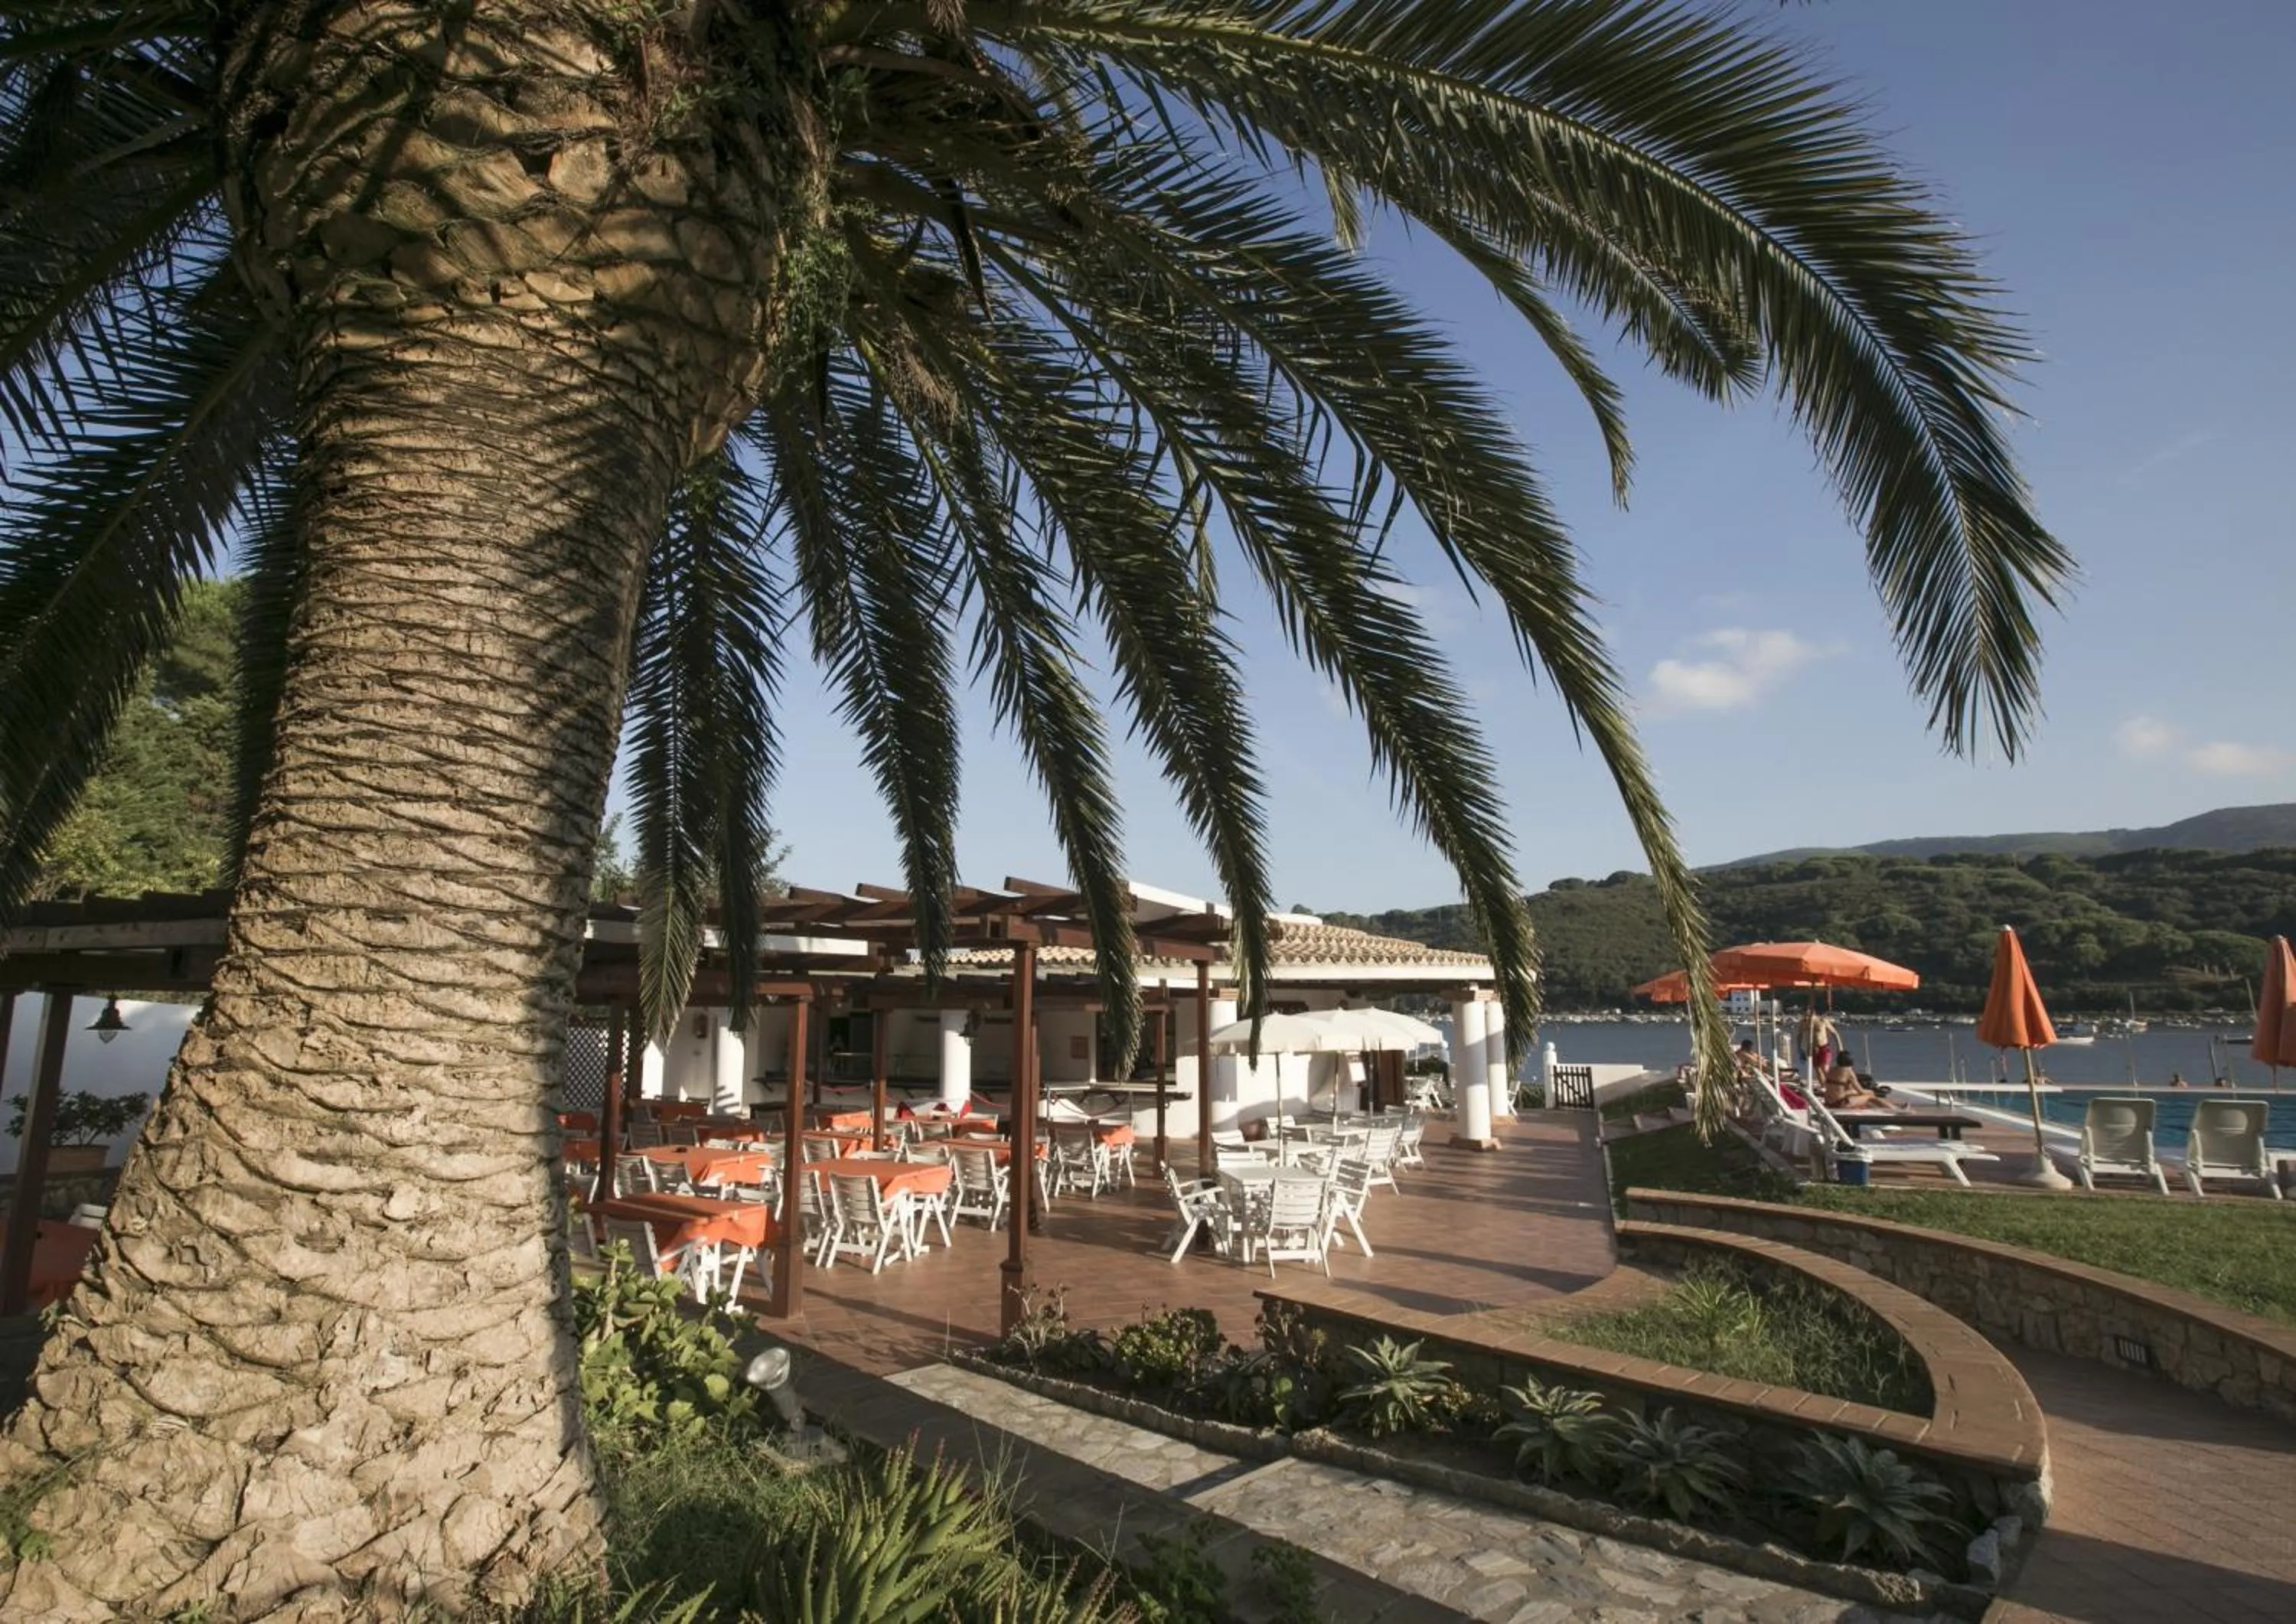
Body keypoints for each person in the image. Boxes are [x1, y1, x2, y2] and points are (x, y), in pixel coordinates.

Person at [1821, 1054, 1887, 1111]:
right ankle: (1891, 1109)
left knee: (1855, 1094)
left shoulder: (1831, 1070)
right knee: (1870, 1097)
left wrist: (1852, 1092)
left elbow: (1837, 1090)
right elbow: (1861, 1091)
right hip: (1840, 1104)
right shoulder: (1848, 1071)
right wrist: (1871, 1091)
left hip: (1828, 1103)